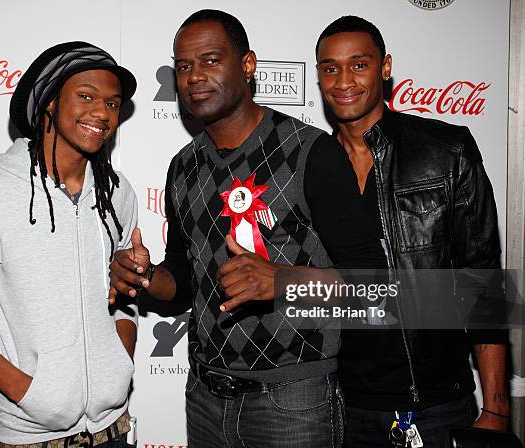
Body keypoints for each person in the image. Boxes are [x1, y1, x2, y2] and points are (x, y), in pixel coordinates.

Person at [110, 9, 384, 448]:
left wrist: (282, 281)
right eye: (183, 66)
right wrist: (145, 278)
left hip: (294, 402)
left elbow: (374, 284)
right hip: (204, 397)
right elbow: (182, 282)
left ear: (248, 65)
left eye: (211, 60)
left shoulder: (312, 152)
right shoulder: (183, 166)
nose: (195, 76)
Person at [0, 42, 139, 448]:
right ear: (49, 103)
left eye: (112, 103)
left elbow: (123, 290)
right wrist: (29, 392)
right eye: (86, 96)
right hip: (31, 438)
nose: (101, 113)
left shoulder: (117, 192)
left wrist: (121, 360)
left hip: (115, 429)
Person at [315, 15, 509, 448]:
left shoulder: (447, 150)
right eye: (330, 68)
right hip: (340, 406)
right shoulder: (310, 165)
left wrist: (496, 408)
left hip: (436, 406)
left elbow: (483, 283)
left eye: (359, 64)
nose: (343, 80)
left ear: (385, 68)